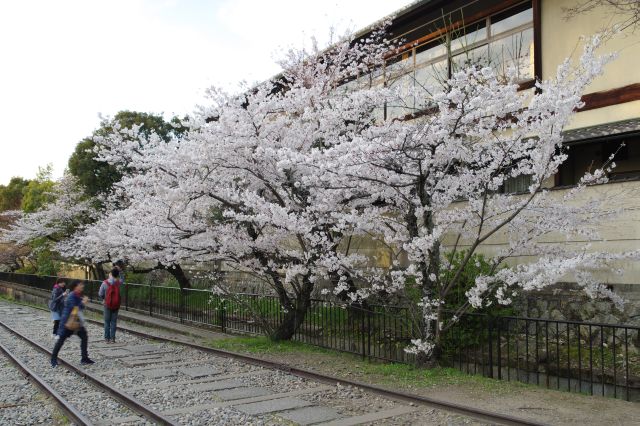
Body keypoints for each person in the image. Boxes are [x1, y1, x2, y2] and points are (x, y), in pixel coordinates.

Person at [51, 280, 94, 367]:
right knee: (61, 341)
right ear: (75, 287)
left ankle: (84, 358)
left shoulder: (77, 295)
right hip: (68, 322)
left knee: (84, 337)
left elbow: (78, 309)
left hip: (76, 322)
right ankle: (53, 359)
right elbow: (75, 308)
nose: (82, 286)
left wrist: (82, 303)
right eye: (80, 285)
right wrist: (83, 303)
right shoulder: (71, 296)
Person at [99, 268, 122, 343]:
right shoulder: (119, 283)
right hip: (116, 304)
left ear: (111, 274)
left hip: (107, 304)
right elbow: (122, 279)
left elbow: (100, 293)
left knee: (107, 322)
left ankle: (107, 339)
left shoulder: (105, 283)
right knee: (113, 322)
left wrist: (104, 299)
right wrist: (120, 272)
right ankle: (112, 339)